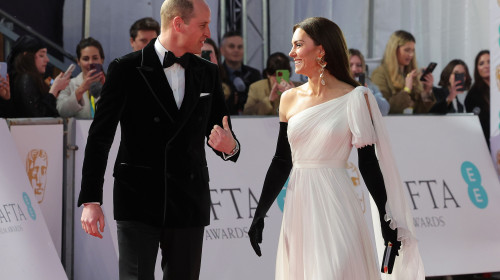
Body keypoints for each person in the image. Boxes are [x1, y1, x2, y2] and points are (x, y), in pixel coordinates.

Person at [248, 17, 424, 279]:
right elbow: (281, 160)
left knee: (337, 271)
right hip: (299, 206)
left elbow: (369, 163)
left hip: (337, 202)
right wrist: (260, 213)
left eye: (298, 45)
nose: (291, 53)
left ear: (321, 50)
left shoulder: (355, 98)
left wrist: (386, 219)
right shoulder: (288, 99)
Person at [77, 0, 240, 279]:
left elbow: (223, 131)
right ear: (179, 23)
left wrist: (230, 147)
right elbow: (100, 136)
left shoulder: (208, 72)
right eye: (202, 25)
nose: (208, 33)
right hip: (138, 198)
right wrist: (91, 199)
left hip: (188, 199)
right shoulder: (126, 69)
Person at [371, 30, 435, 114]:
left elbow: (422, 112)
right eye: (407, 50)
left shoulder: (412, 74)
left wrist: (427, 91)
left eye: (412, 50)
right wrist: (407, 90)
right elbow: (383, 109)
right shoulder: (380, 74)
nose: (411, 54)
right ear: (394, 50)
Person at [7, 35, 70, 118]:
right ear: (26, 56)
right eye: (41, 55)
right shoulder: (25, 78)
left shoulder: (40, 78)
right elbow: (38, 115)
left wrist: (54, 93)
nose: (47, 59)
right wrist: (54, 91)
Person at [57, 37, 106, 118]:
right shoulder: (69, 85)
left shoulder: (113, 84)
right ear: (78, 62)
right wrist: (81, 89)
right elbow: (62, 111)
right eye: (86, 59)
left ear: (102, 60)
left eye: (95, 58)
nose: (90, 62)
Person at [219, 31, 261, 114]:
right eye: (231, 46)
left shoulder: (254, 74)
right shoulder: (216, 74)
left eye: (240, 47)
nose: (236, 50)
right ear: (222, 50)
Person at [348, 48, 390, 115]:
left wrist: (368, 94)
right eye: (350, 65)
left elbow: (385, 109)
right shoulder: (338, 87)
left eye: (359, 65)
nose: (354, 69)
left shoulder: (371, 87)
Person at [465, 50, 490, 147]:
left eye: (489, 62)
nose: (486, 66)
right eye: (481, 63)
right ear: (477, 68)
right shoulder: (473, 95)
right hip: (485, 145)